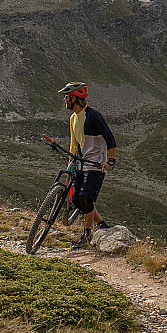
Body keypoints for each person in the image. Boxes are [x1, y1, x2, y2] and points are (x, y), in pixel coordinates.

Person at [58, 81, 117, 249]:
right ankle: (103, 224)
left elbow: (109, 138)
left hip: (96, 164)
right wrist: (70, 164)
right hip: (82, 164)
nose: (64, 100)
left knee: (85, 198)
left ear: (75, 99)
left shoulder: (93, 116)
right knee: (77, 201)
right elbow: (74, 144)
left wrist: (111, 160)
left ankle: (86, 235)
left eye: (66, 97)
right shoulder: (73, 118)